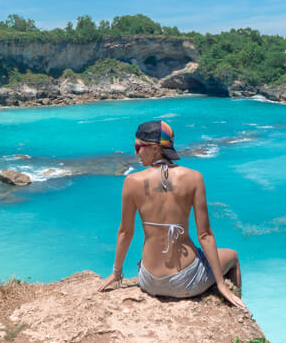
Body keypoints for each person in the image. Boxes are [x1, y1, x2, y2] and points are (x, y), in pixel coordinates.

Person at [98, 120, 246, 309]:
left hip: (149, 281)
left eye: (138, 147)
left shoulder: (132, 181)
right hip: (187, 281)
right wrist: (221, 284)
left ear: (154, 148)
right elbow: (205, 235)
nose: (135, 152)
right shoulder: (194, 178)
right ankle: (237, 309)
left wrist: (116, 273)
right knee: (233, 256)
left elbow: (126, 232)